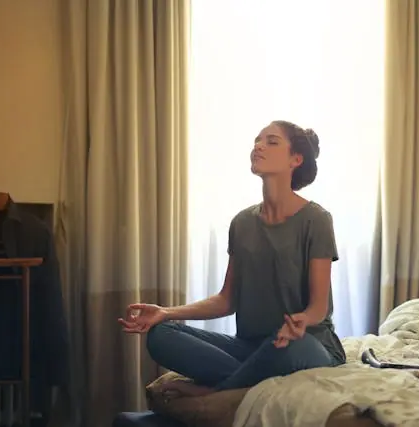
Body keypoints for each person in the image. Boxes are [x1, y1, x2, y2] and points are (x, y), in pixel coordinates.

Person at [118, 120, 346, 397]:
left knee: (293, 347)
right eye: (257, 141)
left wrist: (302, 320)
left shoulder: (317, 220)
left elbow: (319, 307)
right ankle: (245, 381)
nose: (258, 146)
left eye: (271, 141)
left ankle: (216, 392)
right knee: (161, 335)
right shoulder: (242, 223)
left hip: (306, 343)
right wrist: (166, 312)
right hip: (251, 348)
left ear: (295, 159)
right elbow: (226, 300)